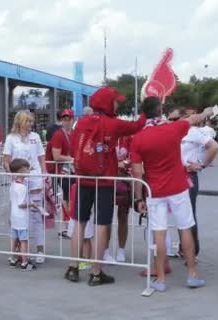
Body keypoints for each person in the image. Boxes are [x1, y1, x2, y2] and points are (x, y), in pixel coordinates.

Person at [65, 87, 147, 286]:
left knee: (79, 222)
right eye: (115, 101)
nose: (117, 104)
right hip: (104, 180)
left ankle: (73, 268)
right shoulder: (113, 124)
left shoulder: (80, 122)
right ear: (108, 103)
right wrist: (146, 107)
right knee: (102, 224)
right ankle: (96, 271)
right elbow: (137, 126)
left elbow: (74, 147)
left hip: (83, 177)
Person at [131, 97, 214, 292]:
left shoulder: (138, 138)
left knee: (159, 232)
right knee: (185, 228)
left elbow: (137, 171)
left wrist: (138, 197)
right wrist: (208, 112)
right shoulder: (173, 129)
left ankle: (160, 279)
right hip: (178, 187)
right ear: (160, 110)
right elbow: (193, 120)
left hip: (154, 190)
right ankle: (192, 274)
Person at [3, 111, 47, 263]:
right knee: (17, 215)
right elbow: (6, 161)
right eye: (27, 121)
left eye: (31, 121)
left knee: (36, 215)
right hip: (18, 181)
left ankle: (40, 249)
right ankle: (17, 251)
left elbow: (42, 158)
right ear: (20, 122)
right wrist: (13, 176)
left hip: (34, 178)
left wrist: (45, 176)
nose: (30, 124)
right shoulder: (11, 138)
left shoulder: (35, 137)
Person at [180, 106, 218, 257]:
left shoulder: (193, 132)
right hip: (173, 176)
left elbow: (215, 147)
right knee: (180, 215)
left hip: (188, 176)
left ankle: (193, 251)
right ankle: (183, 248)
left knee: (189, 214)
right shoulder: (172, 130)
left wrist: (202, 164)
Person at [46, 109, 74, 238]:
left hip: (72, 171)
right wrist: (72, 159)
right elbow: (56, 156)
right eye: (64, 119)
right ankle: (65, 227)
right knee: (66, 199)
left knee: (71, 199)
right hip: (62, 171)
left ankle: (69, 225)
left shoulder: (74, 133)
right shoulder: (58, 134)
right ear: (61, 120)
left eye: (69, 119)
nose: (66, 122)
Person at [8, 158, 38, 270]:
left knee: (13, 238)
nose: (28, 171)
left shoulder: (13, 184)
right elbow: (21, 204)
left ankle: (13, 258)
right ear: (20, 171)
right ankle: (24, 261)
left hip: (13, 215)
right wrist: (31, 204)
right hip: (21, 217)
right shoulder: (22, 187)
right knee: (23, 240)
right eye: (26, 169)